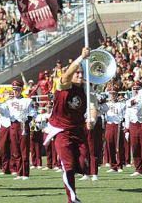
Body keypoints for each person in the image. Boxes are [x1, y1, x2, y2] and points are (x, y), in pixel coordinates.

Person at [43, 47, 91, 203]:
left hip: (78, 131)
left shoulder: (85, 90)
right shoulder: (62, 85)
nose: (79, 75)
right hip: (62, 131)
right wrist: (81, 57)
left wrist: (93, 119)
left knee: (84, 165)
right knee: (68, 167)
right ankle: (73, 199)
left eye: (82, 73)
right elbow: (66, 75)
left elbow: (93, 107)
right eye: (77, 73)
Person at [0, 80, 36, 180]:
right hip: (13, 125)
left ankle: (25, 173)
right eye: (13, 89)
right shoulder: (9, 102)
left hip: (23, 125)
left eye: (17, 89)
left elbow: (33, 113)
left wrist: (27, 119)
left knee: (24, 150)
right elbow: (1, 110)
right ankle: (19, 173)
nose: (15, 91)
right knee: (15, 150)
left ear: (21, 89)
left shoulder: (27, 101)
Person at [124, 85, 142, 177]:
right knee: (135, 147)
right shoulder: (129, 101)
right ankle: (138, 168)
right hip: (133, 124)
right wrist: (127, 129)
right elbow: (127, 115)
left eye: (138, 89)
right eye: (134, 89)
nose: (136, 90)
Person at [104, 90, 126, 173]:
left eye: (114, 94)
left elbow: (124, 115)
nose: (112, 95)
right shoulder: (106, 104)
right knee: (110, 144)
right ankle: (112, 165)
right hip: (109, 124)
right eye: (111, 94)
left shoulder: (121, 104)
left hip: (118, 125)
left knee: (119, 145)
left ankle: (119, 165)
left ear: (117, 95)